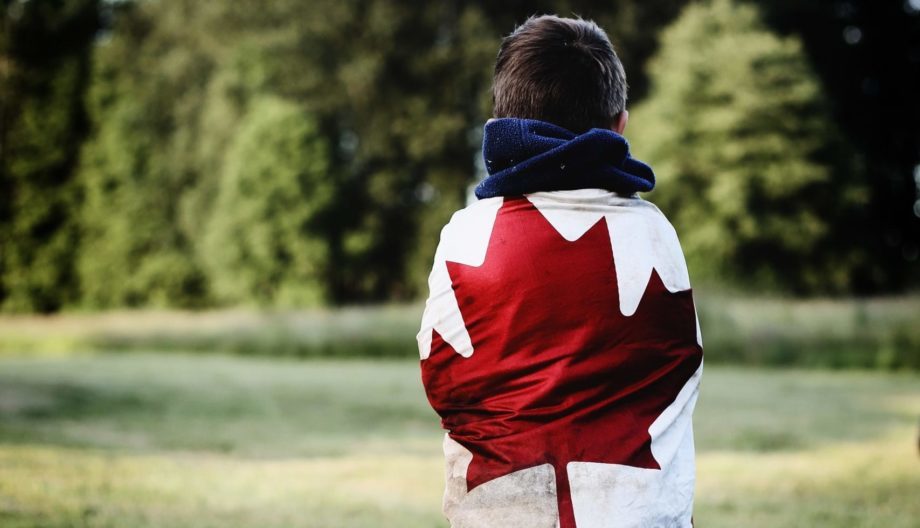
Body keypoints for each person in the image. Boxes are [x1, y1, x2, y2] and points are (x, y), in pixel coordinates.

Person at [417, 15, 703, 528]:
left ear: (501, 119)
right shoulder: (655, 233)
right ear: (620, 125)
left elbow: (445, 384)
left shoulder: (465, 236)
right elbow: (678, 369)